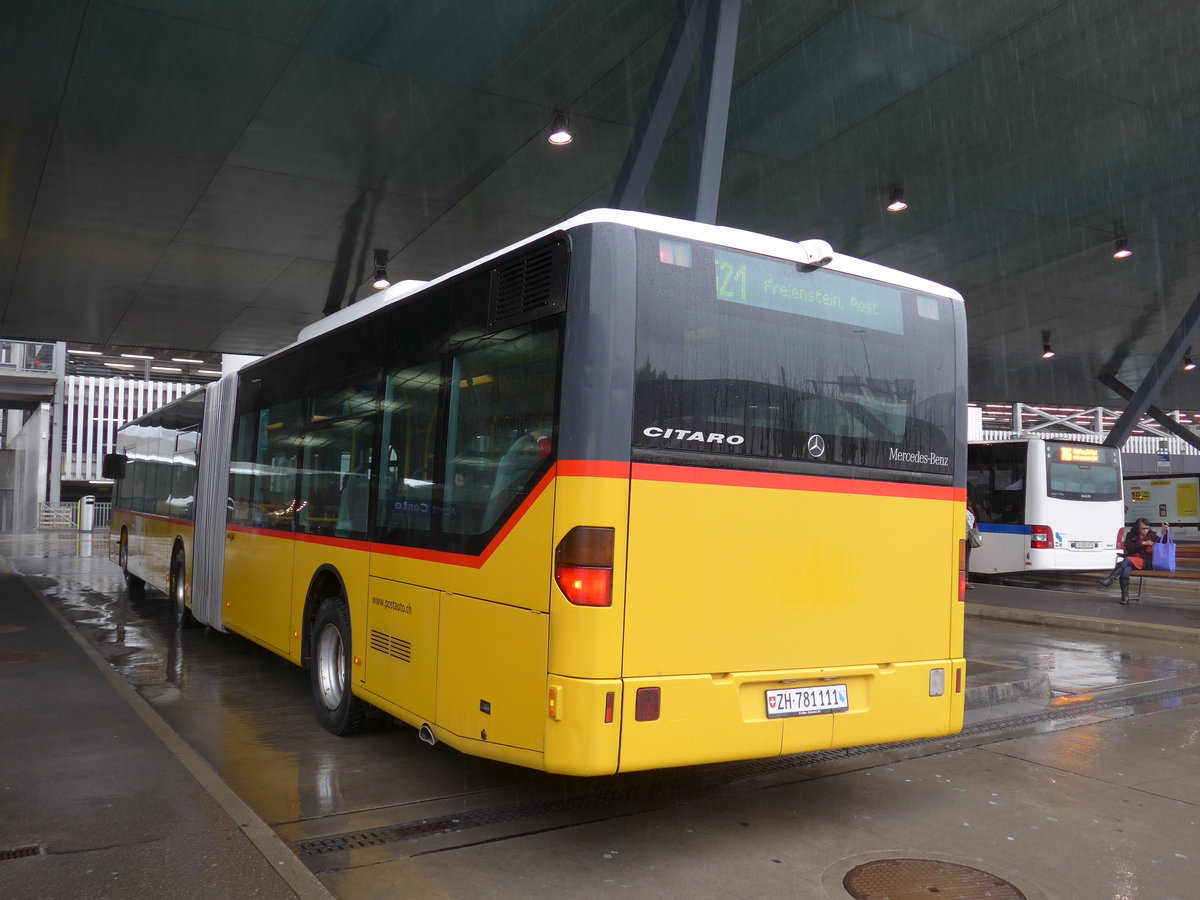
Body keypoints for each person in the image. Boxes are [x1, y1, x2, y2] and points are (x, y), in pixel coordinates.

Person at [1100, 518, 1169, 605]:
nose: (1145, 531)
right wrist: (1143, 543)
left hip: (1146, 562)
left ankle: (1110, 579)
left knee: (1127, 560)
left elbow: (1164, 542)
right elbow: (1129, 548)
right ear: (1137, 528)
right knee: (1125, 571)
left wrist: (1165, 532)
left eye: (1147, 528)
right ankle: (1125, 597)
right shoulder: (1131, 535)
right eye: (1143, 528)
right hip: (1132, 561)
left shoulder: (1152, 535)